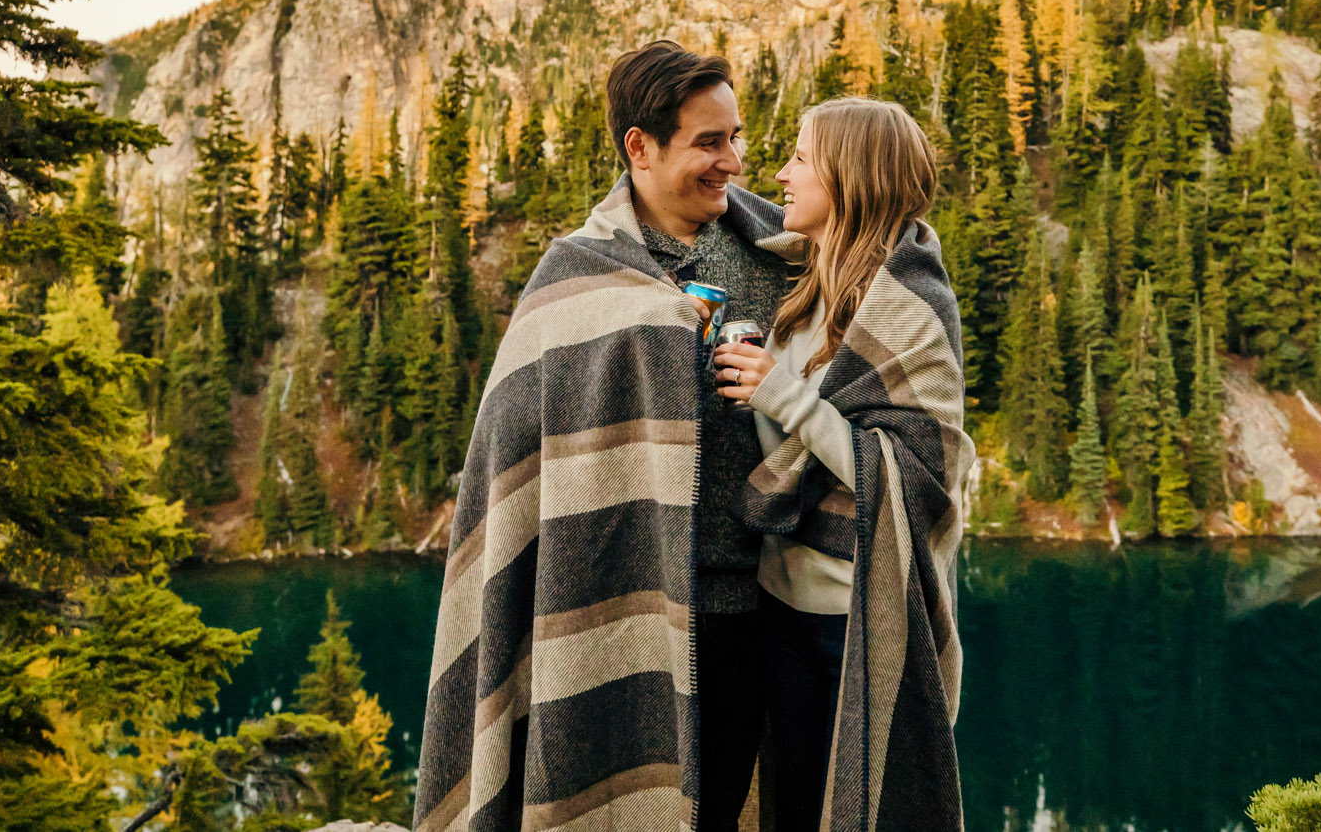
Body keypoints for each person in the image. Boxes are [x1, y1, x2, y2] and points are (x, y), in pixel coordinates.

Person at [414, 40, 796, 832]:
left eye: (738, 137)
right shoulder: (579, 271)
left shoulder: (781, 251)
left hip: (747, 608)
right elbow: (510, 446)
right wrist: (653, 330)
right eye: (709, 142)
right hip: (607, 609)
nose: (734, 160)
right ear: (640, 147)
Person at [714, 97, 974, 832]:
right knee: (789, 810)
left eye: (800, 158)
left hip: (851, 619)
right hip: (776, 606)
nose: (781, 174)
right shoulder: (802, 282)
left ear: (850, 176)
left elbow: (915, 480)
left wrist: (783, 394)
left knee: (862, 811)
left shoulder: (910, 306)